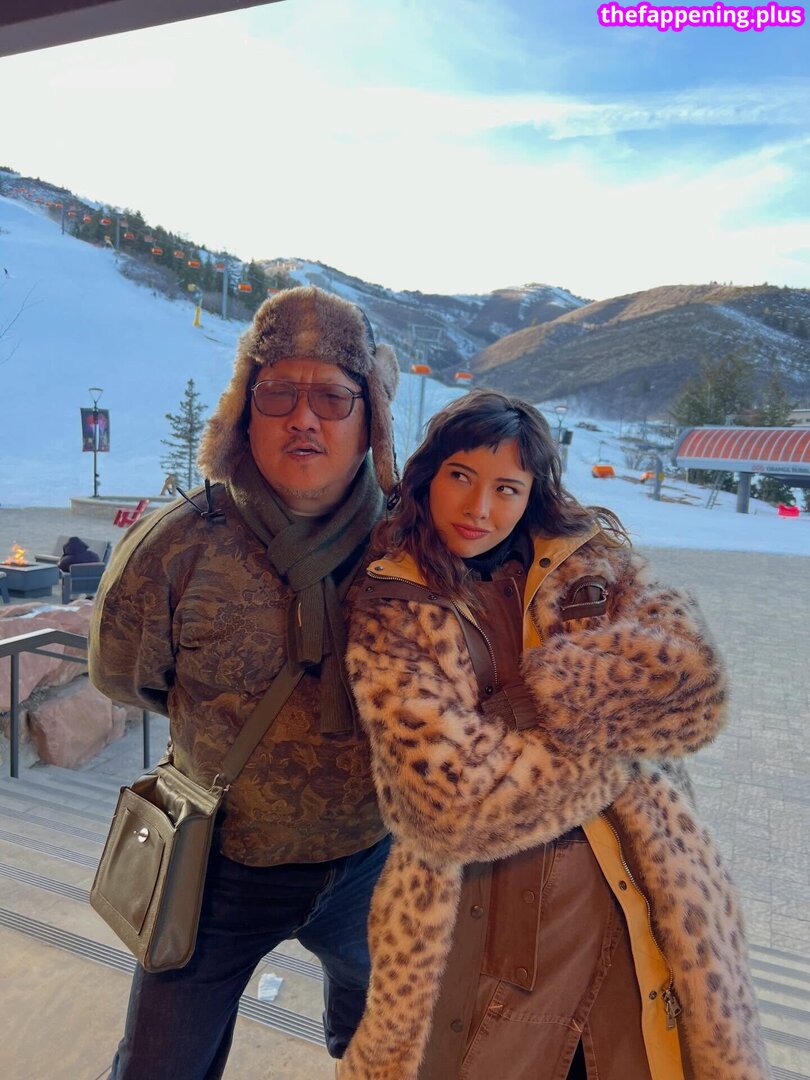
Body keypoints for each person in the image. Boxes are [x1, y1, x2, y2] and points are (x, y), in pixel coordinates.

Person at [340, 390, 768, 1080]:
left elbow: (693, 683)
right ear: (428, 477)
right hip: (482, 919)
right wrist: (612, 741)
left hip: (647, 885)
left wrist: (546, 697)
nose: (479, 508)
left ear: (533, 493)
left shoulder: (590, 563)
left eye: (506, 488)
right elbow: (450, 805)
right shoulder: (393, 601)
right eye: (460, 477)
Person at [88, 285, 400, 1078]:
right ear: (243, 411)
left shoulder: (414, 545)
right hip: (216, 864)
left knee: (389, 1048)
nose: (304, 419)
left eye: (332, 396)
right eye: (278, 393)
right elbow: (125, 676)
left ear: (370, 416)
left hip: (373, 858)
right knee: (157, 1067)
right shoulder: (173, 548)